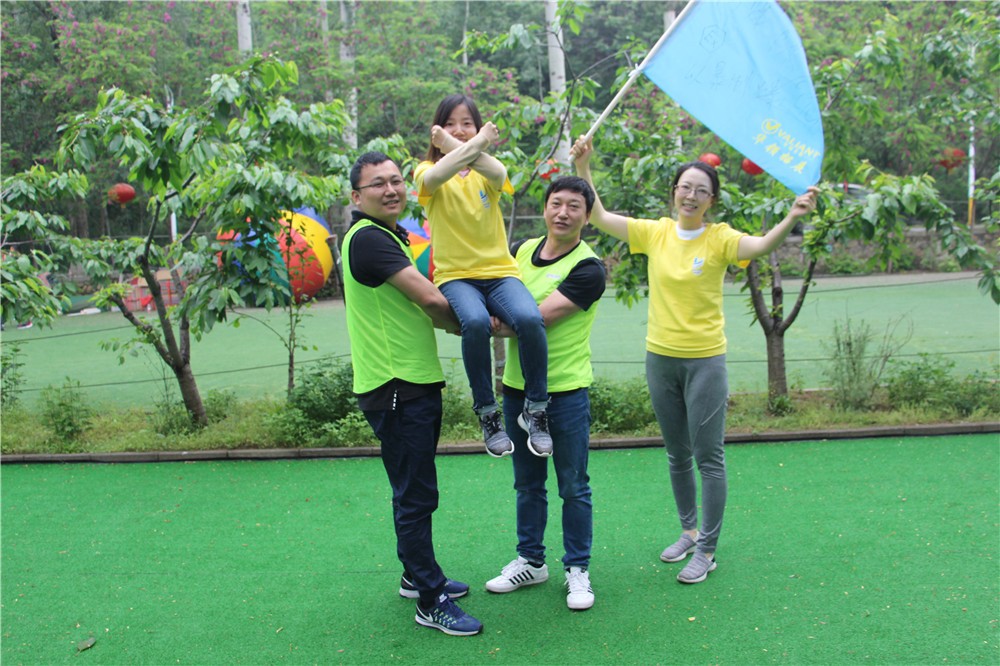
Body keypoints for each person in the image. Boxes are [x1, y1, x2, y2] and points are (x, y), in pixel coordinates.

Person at [571, 136, 819, 585]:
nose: (690, 195)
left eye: (701, 190)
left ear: (712, 200)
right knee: (677, 454)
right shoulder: (655, 232)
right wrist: (583, 166)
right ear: (674, 192)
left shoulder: (720, 238)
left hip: (705, 361)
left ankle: (707, 548)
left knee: (709, 457)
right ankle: (688, 531)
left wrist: (792, 216)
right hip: (660, 358)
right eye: (685, 187)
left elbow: (761, 246)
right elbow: (600, 216)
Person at [343, 151, 482, 636]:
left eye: (397, 180)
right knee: (416, 494)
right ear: (356, 196)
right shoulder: (369, 238)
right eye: (377, 184)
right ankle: (429, 597)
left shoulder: (387, 235)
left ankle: (415, 575)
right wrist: (479, 327)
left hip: (406, 381)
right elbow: (428, 298)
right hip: (396, 385)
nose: (391, 189)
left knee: (410, 487)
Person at [484, 176, 606, 611]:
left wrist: (484, 323)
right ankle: (531, 561)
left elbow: (535, 319)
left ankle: (577, 568)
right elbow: (494, 290)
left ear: (586, 217)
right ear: (545, 207)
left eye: (574, 206)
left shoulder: (589, 268)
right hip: (517, 389)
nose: (563, 213)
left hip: (565, 392)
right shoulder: (521, 250)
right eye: (557, 203)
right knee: (527, 483)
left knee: (573, 485)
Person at [414, 94, 552, 459]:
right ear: (437, 129)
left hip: (500, 273)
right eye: (450, 124)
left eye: (467, 124)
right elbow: (437, 174)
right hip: (456, 277)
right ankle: (488, 414)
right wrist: (470, 142)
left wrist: (452, 142)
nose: (459, 130)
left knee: (530, 319)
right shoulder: (424, 171)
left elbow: (499, 174)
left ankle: (536, 410)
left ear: (476, 127)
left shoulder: (485, 170)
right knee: (474, 323)